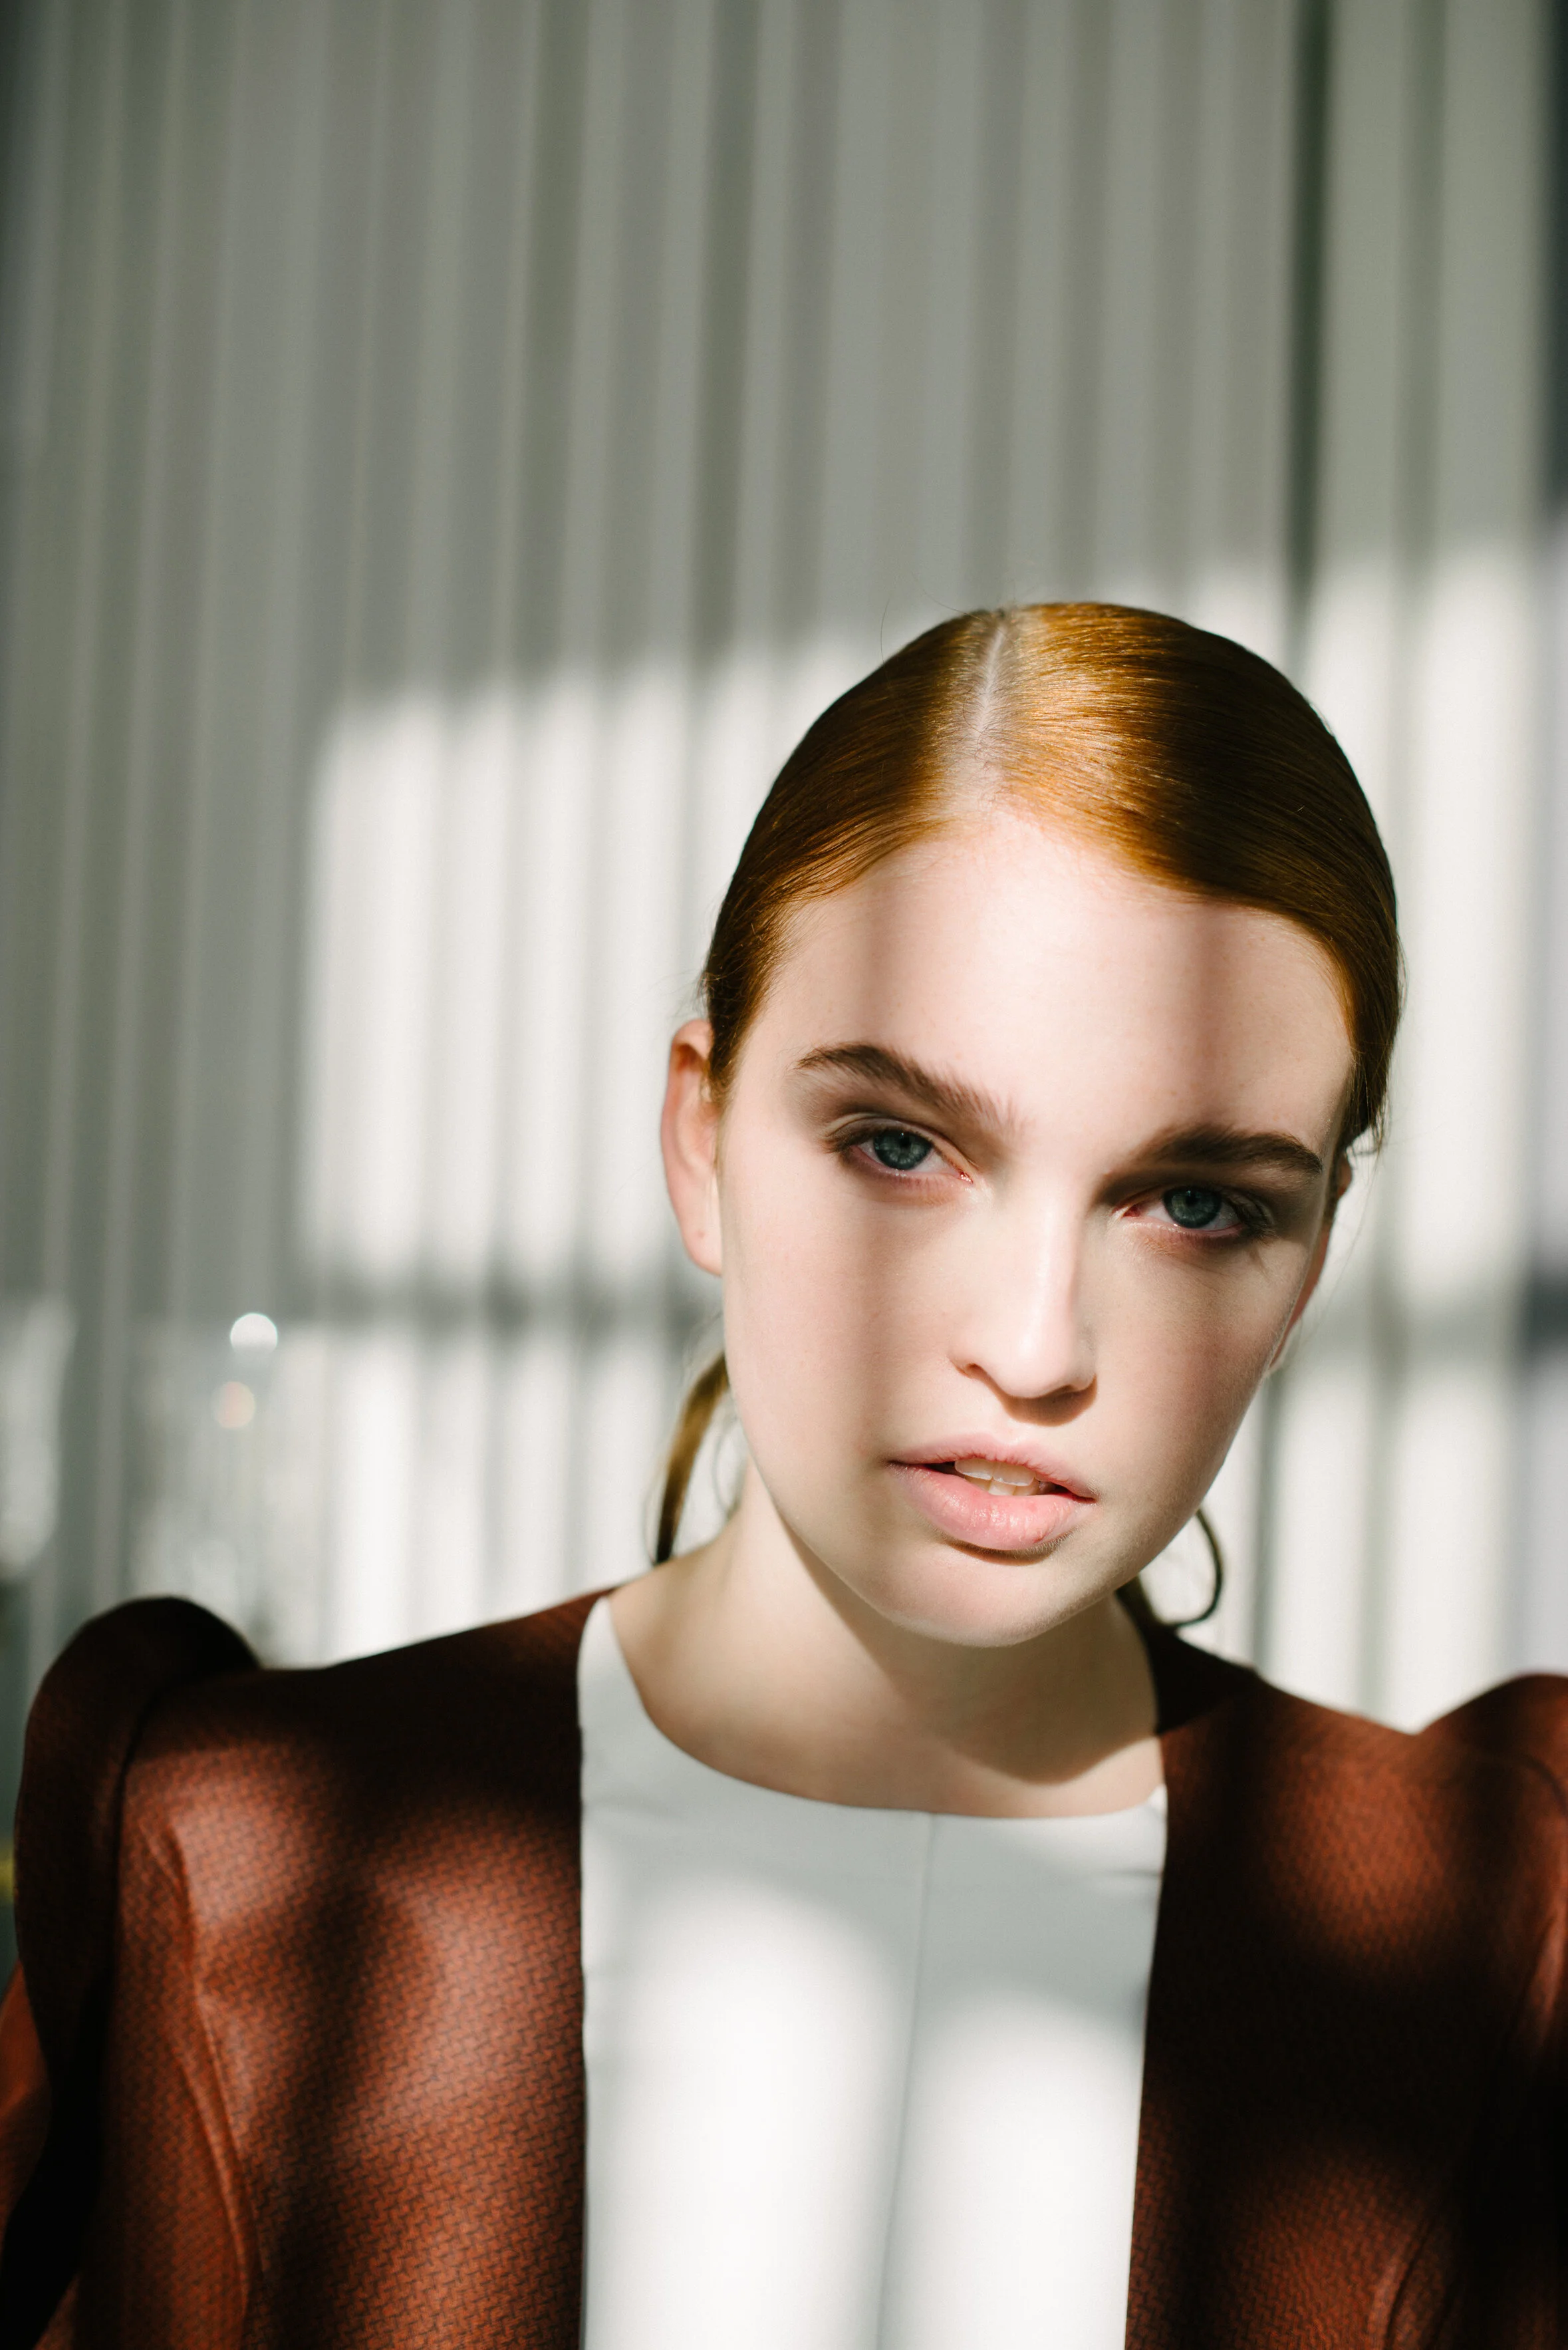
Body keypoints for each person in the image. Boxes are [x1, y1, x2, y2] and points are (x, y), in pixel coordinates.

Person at [1, 603, 1564, 2350]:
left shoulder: (1479, 1920)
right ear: (702, 1137)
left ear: (1316, 1249)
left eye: (1198, 1202)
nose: (1035, 1345)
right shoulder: (245, 1846)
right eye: (899, 1145)